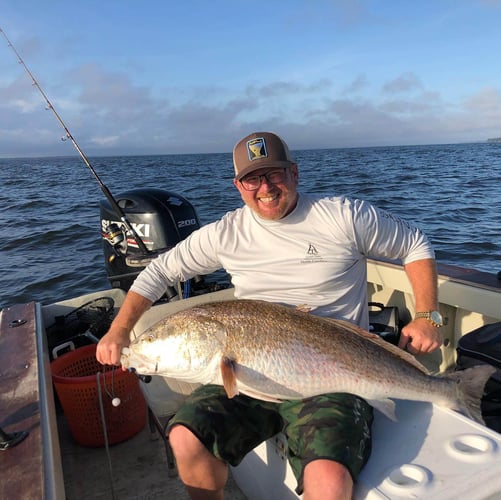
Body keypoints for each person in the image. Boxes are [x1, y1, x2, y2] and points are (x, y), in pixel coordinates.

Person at [97, 131, 442, 500]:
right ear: (238, 185)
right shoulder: (225, 234)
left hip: (336, 372)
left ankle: (449, 391)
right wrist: (120, 331)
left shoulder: (343, 216)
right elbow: (158, 273)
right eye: (252, 179)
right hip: (245, 375)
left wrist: (427, 315)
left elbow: (414, 243)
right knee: (185, 437)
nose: (265, 188)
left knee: (328, 481)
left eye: (274, 174)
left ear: (294, 173)